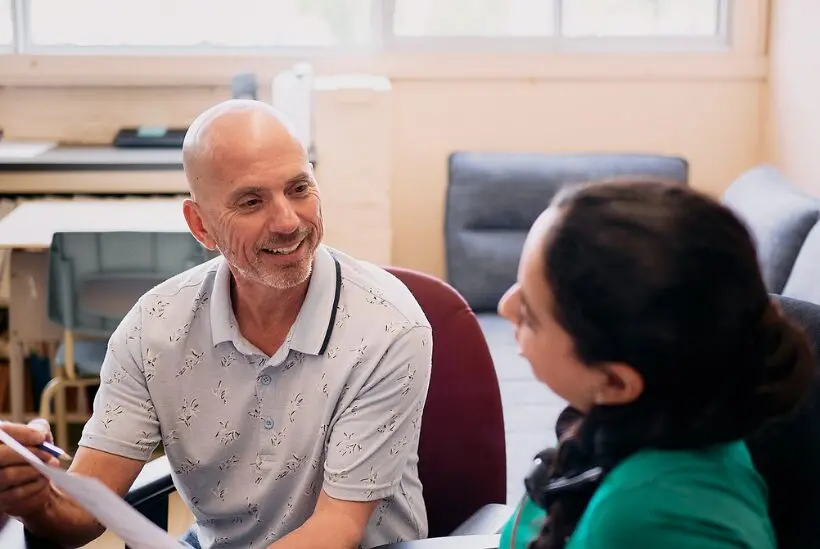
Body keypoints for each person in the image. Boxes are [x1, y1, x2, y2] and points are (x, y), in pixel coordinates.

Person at [0, 99, 433, 549]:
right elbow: (81, 512)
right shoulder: (153, 331)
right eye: (251, 201)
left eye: (299, 188)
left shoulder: (387, 328)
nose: (287, 221)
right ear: (201, 225)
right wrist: (35, 499)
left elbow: (337, 529)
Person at [495, 180, 814, 549]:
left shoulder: (658, 520)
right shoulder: (655, 422)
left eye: (530, 316)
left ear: (616, 382)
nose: (505, 306)